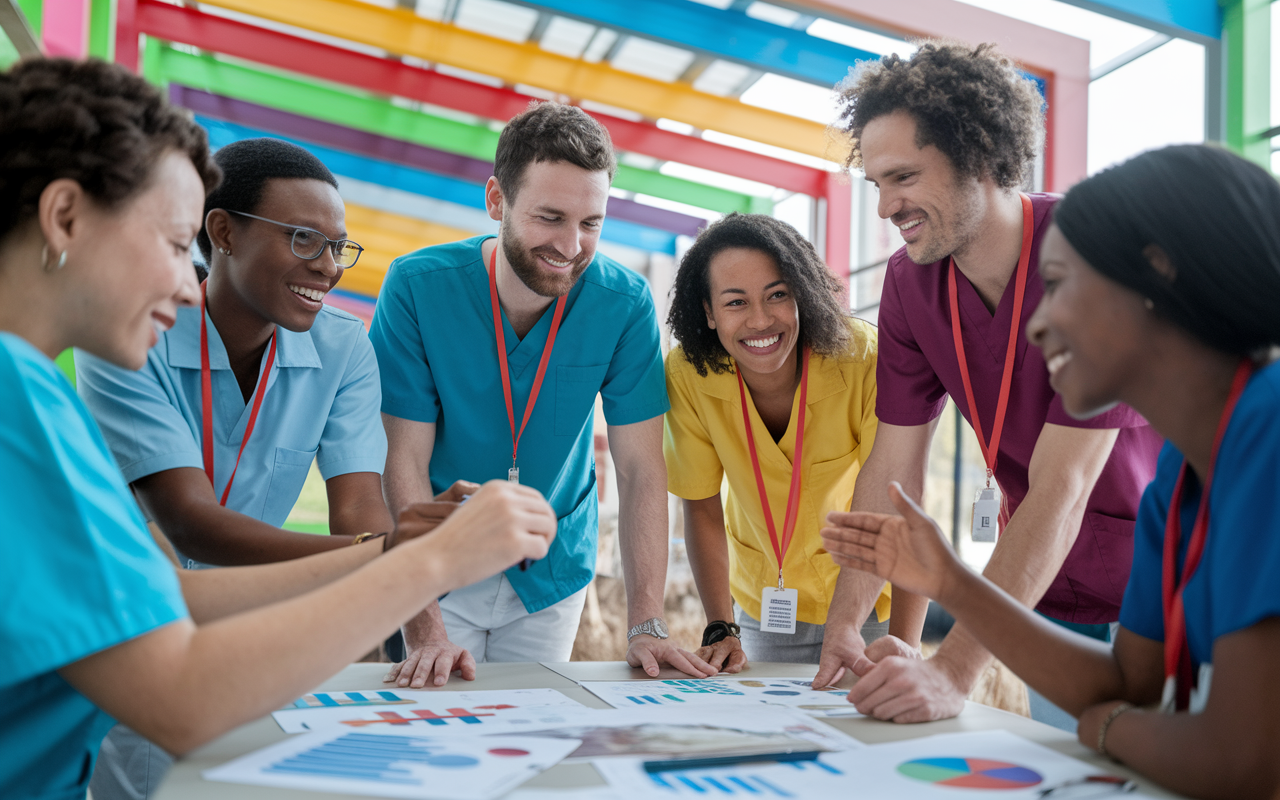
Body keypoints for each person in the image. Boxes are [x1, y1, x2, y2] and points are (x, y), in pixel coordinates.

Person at [0, 57, 553, 800]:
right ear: (64, 217)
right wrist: (427, 563)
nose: (180, 282)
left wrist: (398, 551)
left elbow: (164, 598)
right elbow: (183, 693)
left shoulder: (34, 391)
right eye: (172, 243)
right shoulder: (20, 396)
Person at [823, 144, 1280, 800]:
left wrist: (1105, 729)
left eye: (1059, 285)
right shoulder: (1179, 474)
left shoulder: (1267, 426)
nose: (1035, 323)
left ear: (1155, 279)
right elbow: (1129, 682)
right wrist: (950, 580)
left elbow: (1242, 763)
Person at [75, 136, 470, 799]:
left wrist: (394, 564)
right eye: (303, 240)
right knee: (146, 783)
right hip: (131, 619)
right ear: (222, 232)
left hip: (253, 619)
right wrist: (392, 554)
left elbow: (359, 508)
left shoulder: (344, 348)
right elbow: (192, 523)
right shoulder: (130, 337)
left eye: (337, 246)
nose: (328, 267)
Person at [821, 41, 1164, 722]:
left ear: (977, 156)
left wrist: (954, 669)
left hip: (1165, 583)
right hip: (1041, 591)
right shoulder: (910, 282)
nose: (887, 206)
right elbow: (893, 468)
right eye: (878, 185)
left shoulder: (1093, 251)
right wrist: (847, 624)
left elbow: (1064, 490)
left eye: (905, 177)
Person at [371, 101, 714, 684]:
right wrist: (421, 621)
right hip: (437, 561)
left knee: (526, 736)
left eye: (591, 223)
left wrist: (646, 622)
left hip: (551, 570)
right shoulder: (416, 287)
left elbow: (640, 469)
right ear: (496, 201)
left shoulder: (624, 303)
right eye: (550, 217)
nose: (571, 245)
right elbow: (402, 457)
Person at [663, 213, 925, 672]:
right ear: (707, 311)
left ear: (802, 291)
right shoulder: (689, 373)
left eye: (778, 295)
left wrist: (906, 645)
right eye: (736, 302)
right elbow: (701, 506)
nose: (760, 320)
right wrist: (720, 626)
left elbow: (904, 510)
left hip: (871, 600)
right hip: (766, 607)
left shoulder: (863, 359)